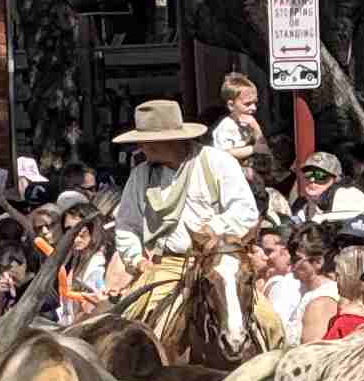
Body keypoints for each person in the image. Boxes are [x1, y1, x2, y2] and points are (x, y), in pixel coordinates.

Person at [102, 99, 257, 292]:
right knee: (135, 314)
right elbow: (127, 224)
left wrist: (212, 229)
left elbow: (246, 212)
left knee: (267, 319)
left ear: (171, 139)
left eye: (148, 141)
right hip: (166, 267)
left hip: (218, 262)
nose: (142, 146)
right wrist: (137, 260)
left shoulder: (218, 162)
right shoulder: (141, 174)